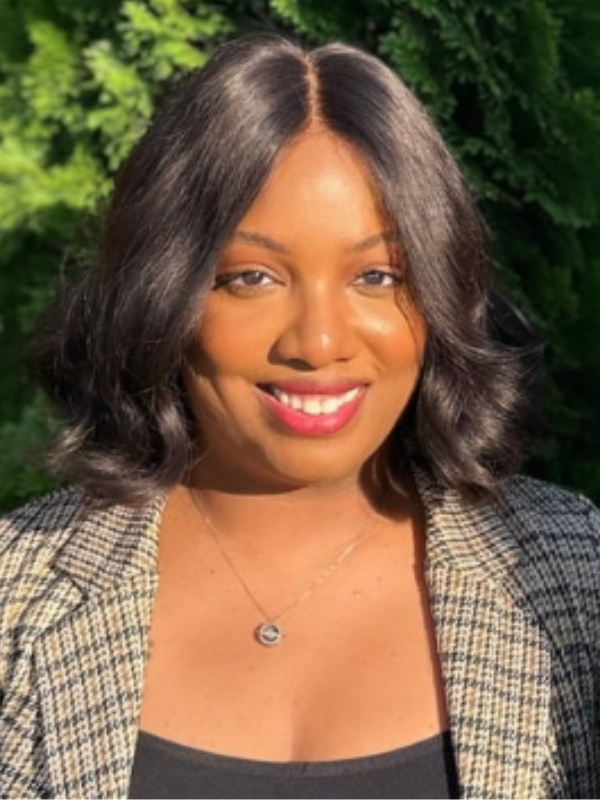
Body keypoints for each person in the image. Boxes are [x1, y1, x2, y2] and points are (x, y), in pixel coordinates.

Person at [0, 33, 598, 800]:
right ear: (165, 294)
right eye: (252, 277)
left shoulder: (573, 579)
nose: (319, 342)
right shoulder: (19, 599)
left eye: (378, 276)